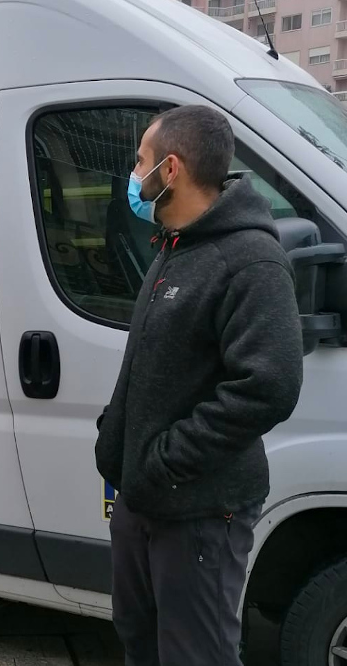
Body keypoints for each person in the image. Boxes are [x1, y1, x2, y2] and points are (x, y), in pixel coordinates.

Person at [95, 105, 303, 666]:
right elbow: (151, 364)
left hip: (199, 510)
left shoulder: (250, 260)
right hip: (144, 499)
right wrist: (115, 439)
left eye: (140, 160)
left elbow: (270, 386)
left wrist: (166, 458)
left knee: (196, 656)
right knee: (139, 640)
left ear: (171, 169)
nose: (132, 175)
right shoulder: (174, 245)